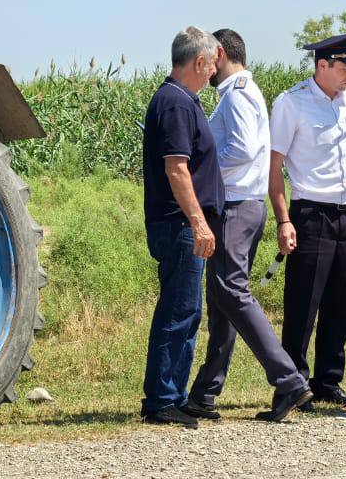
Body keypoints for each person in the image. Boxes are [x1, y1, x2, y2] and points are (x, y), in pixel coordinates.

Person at [185, 29, 312, 423]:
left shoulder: (237, 94)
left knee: (230, 292)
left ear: (220, 53)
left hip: (237, 206)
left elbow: (240, 148)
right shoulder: (240, 93)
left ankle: (288, 378)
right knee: (222, 300)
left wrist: (201, 170)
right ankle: (206, 391)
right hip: (242, 206)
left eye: (206, 58)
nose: (203, 68)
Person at [268, 30, 346, 412]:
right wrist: (284, 220)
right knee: (303, 303)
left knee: (340, 302)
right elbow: (275, 167)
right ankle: (294, 384)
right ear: (322, 65)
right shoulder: (292, 103)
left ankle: (328, 381)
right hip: (311, 214)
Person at [140, 27, 225, 428]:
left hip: (181, 225)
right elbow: (177, 168)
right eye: (212, 63)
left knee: (187, 310)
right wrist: (198, 223)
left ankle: (169, 394)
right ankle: (162, 399)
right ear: (198, 62)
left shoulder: (181, 100)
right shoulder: (175, 103)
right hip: (179, 225)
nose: (213, 72)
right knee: (179, 310)